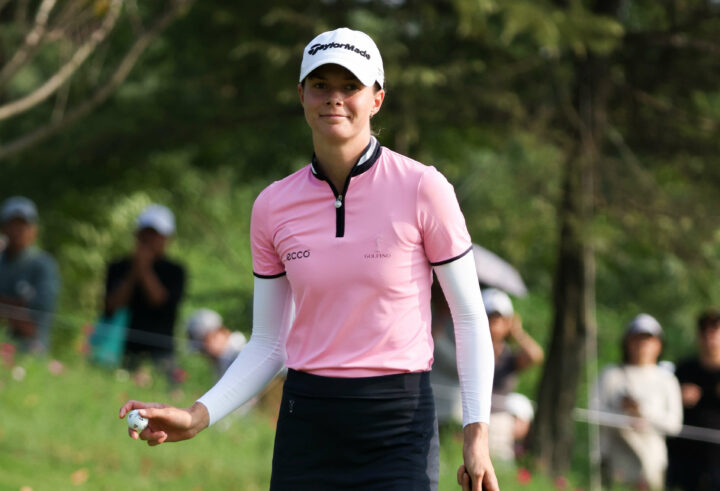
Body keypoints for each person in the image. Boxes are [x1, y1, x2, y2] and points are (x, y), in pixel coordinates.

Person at [119, 27, 499, 491]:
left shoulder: (424, 188)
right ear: (302, 95)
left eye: (350, 86)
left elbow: (469, 316)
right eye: (321, 85)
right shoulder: (273, 205)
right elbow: (268, 343)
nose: (334, 98)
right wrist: (199, 416)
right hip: (308, 424)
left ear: (377, 99)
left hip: (398, 428)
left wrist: (476, 432)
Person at [592, 313, 683, 490]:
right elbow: (594, 414)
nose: (642, 345)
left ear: (659, 344)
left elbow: (674, 425)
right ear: (627, 342)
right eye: (637, 339)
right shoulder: (611, 374)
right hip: (615, 462)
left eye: (648, 339)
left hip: (652, 464)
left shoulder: (667, 379)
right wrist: (624, 415)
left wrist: (643, 412)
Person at [105, 204, 185, 384]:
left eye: (156, 234)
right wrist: (134, 273)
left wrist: (144, 269)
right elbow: (111, 306)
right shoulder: (118, 267)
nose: (150, 239)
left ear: (167, 238)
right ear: (137, 234)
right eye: (146, 233)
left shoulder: (175, 272)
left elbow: (160, 302)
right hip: (122, 351)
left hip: (162, 353)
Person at [667, 308, 720, 490]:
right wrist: (677, 396)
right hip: (686, 458)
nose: (709, 337)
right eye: (705, 331)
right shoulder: (684, 369)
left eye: (715, 331)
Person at [0, 196, 60, 354]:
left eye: (24, 224)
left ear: (34, 230)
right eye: (13, 224)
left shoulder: (44, 265)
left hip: (29, 351)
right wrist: (16, 305)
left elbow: (34, 322)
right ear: (3, 228)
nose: (18, 230)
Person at [482, 288, 544, 407]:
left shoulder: (508, 357)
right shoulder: (465, 349)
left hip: (498, 419)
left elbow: (535, 356)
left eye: (498, 319)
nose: (492, 324)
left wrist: (517, 332)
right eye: (489, 317)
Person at [186, 308, 247, 379]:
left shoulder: (241, 355)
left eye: (203, 348)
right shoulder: (223, 365)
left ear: (217, 333)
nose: (204, 355)